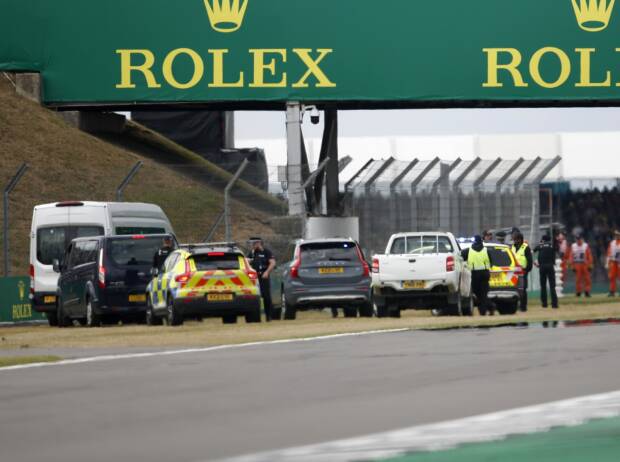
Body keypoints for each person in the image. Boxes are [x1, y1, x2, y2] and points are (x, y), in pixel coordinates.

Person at [248, 237, 276, 321]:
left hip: (263, 276)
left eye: (255, 243)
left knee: (266, 296)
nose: (253, 245)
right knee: (254, 297)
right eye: (252, 243)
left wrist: (267, 272)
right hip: (255, 277)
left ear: (259, 243)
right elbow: (247, 261)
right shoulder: (252, 253)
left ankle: (269, 316)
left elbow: (272, 263)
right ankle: (255, 318)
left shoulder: (266, 252)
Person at [461, 235, 491, 316]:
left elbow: (460, 257)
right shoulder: (486, 250)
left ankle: (485, 309)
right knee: (484, 294)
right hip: (485, 274)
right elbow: (491, 261)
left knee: (476, 294)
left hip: (474, 275)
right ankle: (484, 311)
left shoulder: (469, 250)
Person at [534, 235, 559, 309]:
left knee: (543, 286)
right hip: (550, 266)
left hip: (542, 267)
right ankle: (554, 304)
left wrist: (540, 243)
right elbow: (556, 250)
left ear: (543, 240)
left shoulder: (541, 245)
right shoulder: (552, 246)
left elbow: (534, 250)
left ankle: (544, 303)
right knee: (552, 286)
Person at [512, 232, 533, 312]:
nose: (514, 241)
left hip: (522, 272)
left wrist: (526, 270)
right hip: (513, 272)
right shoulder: (512, 247)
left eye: (515, 239)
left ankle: (523, 307)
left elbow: (529, 261)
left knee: (522, 289)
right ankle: (516, 306)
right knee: (515, 289)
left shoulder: (526, 248)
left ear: (520, 239)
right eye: (513, 239)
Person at [606, 230, 620, 297]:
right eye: (616, 235)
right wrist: (607, 262)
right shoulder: (612, 243)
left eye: (618, 235)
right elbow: (609, 253)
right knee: (612, 277)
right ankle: (612, 291)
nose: (616, 236)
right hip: (613, 262)